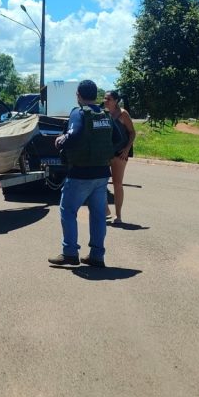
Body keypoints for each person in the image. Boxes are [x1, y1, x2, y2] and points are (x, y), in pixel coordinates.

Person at [49, 79, 117, 268]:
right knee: (97, 215)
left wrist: (61, 140)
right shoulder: (105, 115)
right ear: (95, 95)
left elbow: (75, 134)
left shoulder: (78, 114)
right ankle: (96, 255)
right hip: (102, 173)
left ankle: (70, 253)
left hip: (80, 173)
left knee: (68, 211)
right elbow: (118, 138)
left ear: (78, 95)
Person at [104, 90, 137, 225]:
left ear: (116, 101)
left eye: (109, 99)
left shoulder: (123, 114)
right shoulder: (103, 113)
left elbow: (132, 133)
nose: (105, 101)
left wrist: (127, 149)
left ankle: (119, 216)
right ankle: (105, 211)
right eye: (105, 98)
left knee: (117, 184)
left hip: (120, 154)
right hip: (106, 153)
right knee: (101, 183)